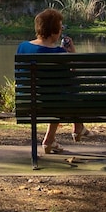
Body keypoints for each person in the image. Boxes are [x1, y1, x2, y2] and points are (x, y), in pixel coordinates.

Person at [16, 8, 90, 154]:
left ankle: (52, 138)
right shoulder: (59, 53)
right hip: (54, 103)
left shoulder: (23, 47)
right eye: (60, 27)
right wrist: (71, 54)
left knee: (57, 90)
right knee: (69, 86)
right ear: (55, 30)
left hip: (29, 102)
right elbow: (70, 77)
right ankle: (78, 126)